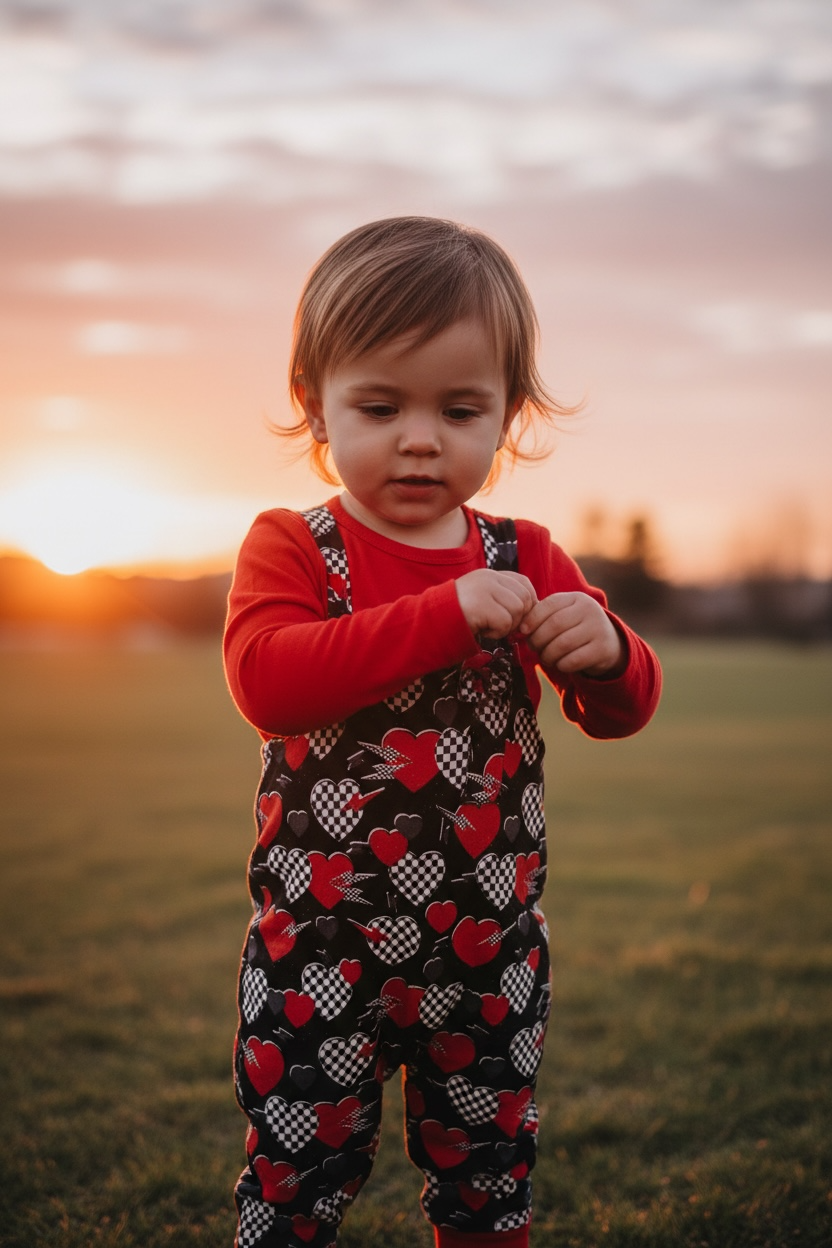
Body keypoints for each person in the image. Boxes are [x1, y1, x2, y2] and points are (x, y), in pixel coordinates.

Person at [223, 216, 662, 1248]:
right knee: (296, 1181)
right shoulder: (296, 546)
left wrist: (602, 650)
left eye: (460, 410)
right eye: (380, 406)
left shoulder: (528, 552)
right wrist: (445, 613)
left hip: (487, 951)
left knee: (488, 1179)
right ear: (315, 404)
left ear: (505, 416)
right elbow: (267, 683)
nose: (420, 437)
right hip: (321, 954)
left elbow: (622, 709)